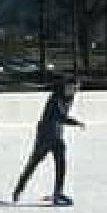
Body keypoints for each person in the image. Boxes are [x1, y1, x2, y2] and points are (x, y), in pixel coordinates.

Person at [12, 77, 85, 205]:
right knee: (33, 163)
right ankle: (18, 190)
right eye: (71, 88)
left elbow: (61, 118)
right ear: (65, 86)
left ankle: (58, 193)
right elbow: (58, 116)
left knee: (61, 165)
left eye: (75, 89)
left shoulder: (70, 98)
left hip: (57, 136)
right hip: (45, 136)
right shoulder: (55, 98)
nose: (73, 91)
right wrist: (75, 122)